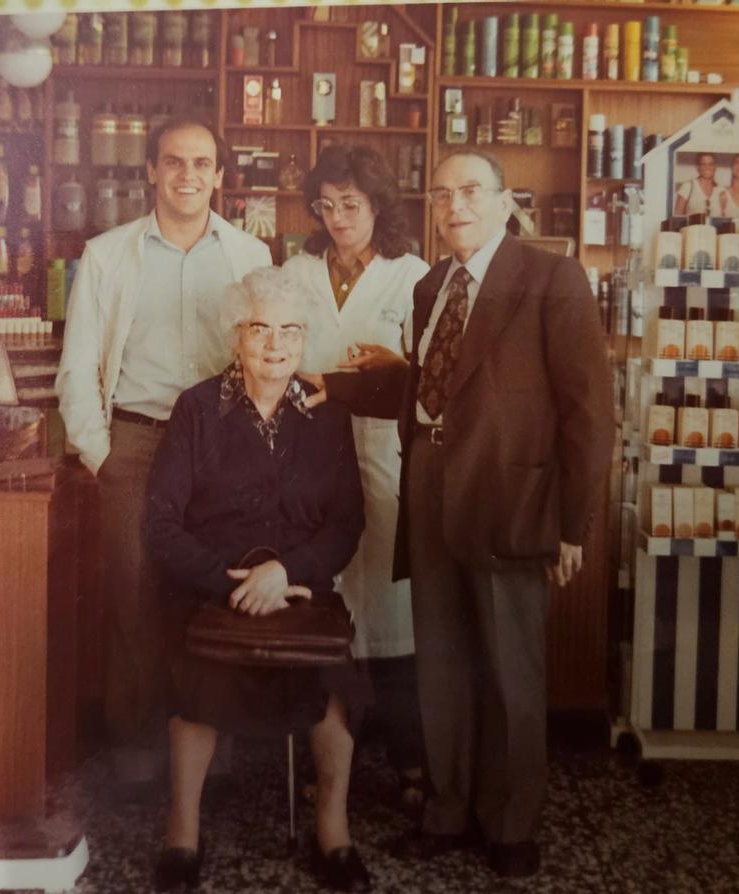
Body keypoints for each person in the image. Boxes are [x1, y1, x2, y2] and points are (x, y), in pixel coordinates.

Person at [312, 150, 613, 878]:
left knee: (511, 672)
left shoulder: (551, 279)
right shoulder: (433, 284)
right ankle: (449, 810)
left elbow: (589, 412)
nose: (455, 206)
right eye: (442, 194)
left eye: (471, 191)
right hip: (431, 500)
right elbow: (426, 393)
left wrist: (573, 526)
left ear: (507, 202)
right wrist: (333, 385)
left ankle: (510, 826)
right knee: (442, 668)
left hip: (513, 506)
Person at [55, 117, 272, 791]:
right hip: (137, 441)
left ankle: (214, 751)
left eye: (202, 163)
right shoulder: (108, 254)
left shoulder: (250, 256)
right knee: (133, 596)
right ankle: (137, 750)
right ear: (150, 170)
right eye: (174, 162)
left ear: (219, 175)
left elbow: (267, 357)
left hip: (221, 447)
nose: (188, 174)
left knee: (216, 597)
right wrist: (101, 454)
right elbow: (78, 366)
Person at [144, 266, 373, 893]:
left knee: (336, 686)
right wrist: (230, 581)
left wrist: (287, 573)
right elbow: (161, 526)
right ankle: (182, 832)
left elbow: (347, 524)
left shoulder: (327, 415)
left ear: (304, 340)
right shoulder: (196, 409)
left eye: (290, 331)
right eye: (260, 330)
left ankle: (334, 830)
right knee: (195, 680)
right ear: (235, 336)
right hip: (214, 590)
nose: (275, 345)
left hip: (300, 592)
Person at [283, 144, 430, 811]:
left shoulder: (413, 276)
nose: (339, 218)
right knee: (329, 607)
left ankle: (410, 762)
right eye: (327, 205)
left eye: (352, 204)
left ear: (377, 206)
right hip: (312, 455)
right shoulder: (295, 270)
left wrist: (395, 367)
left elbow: (431, 378)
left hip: (389, 454)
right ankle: (327, 758)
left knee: (395, 612)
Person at [674, 151, 720, 217]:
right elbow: (677, 216)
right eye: (703, 164)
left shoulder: (720, 190)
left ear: (715, 167)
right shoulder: (688, 187)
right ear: (698, 167)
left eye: (711, 164)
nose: (707, 167)